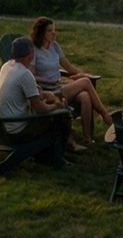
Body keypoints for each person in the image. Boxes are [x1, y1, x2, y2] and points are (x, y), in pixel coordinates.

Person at [29, 16, 113, 144]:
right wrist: (52, 82)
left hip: (59, 86)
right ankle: (105, 115)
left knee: (85, 96)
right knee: (85, 82)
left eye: (54, 30)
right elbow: (31, 76)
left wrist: (80, 73)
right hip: (47, 91)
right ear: (41, 32)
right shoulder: (34, 50)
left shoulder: (54, 46)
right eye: (49, 30)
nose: (53, 33)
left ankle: (87, 138)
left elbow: (68, 66)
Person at [0, 36, 73, 158]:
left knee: (54, 112)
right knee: (62, 116)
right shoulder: (25, 74)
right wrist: (57, 105)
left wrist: (46, 94)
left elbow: (34, 93)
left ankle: (45, 153)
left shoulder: (7, 66)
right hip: (15, 131)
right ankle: (56, 158)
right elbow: (41, 109)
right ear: (30, 55)